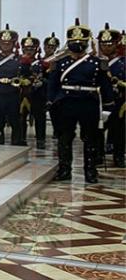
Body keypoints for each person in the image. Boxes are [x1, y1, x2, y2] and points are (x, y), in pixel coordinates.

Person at [48, 19, 114, 183]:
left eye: (80, 43)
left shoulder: (97, 63)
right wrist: (52, 102)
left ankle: (90, 171)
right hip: (66, 103)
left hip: (88, 103)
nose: (77, 46)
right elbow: (53, 85)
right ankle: (64, 169)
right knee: (65, 138)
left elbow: (105, 85)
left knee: (90, 138)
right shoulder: (60, 63)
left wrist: (107, 106)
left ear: (86, 43)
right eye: (73, 42)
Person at [97, 24, 124, 168]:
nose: (106, 47)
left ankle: (118, 156)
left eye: (109, 44)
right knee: (97, 130)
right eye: (103, 44)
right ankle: (99, 155)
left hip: (118, 101)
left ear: (116, 44)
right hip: (100, 101)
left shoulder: (122, 63)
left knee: (118, 131)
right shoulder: (97, 62)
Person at [20, 32, 47, 149]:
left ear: (36, 49)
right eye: (26, 48)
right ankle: (21, 138)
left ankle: (40, 140)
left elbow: (48, 79)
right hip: (20, 94)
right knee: (20, 118)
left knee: (39, 118)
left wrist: (42, 82)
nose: (29, 51)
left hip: (37, 95)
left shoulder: (42, 64)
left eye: (31, 48)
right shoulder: (18, 62)